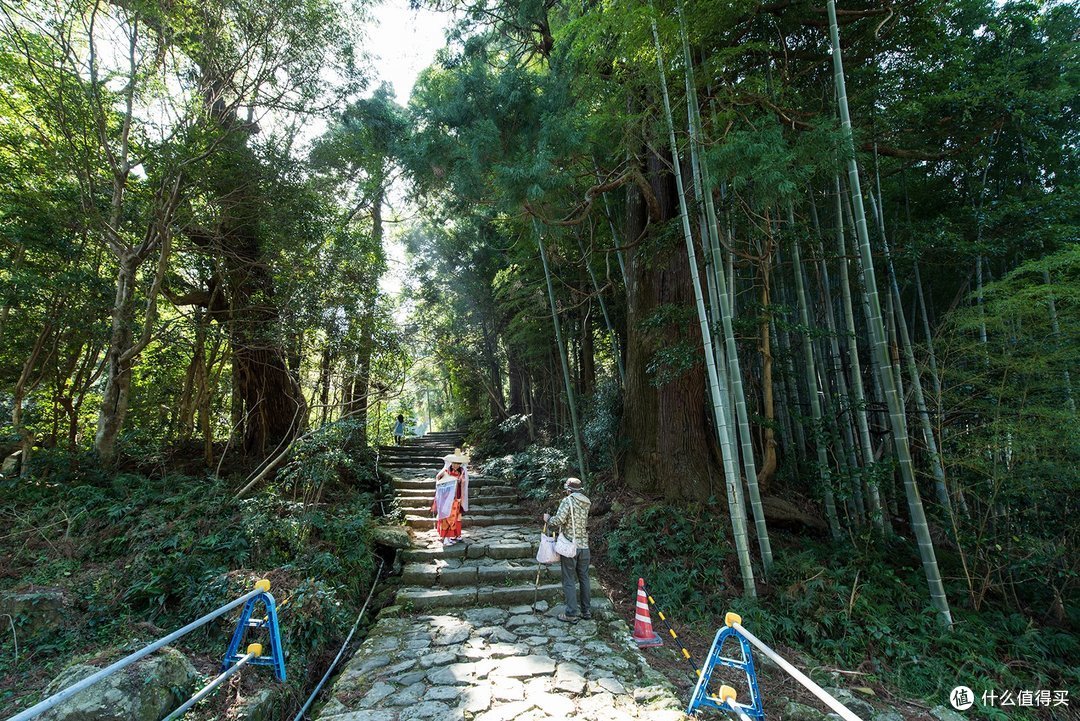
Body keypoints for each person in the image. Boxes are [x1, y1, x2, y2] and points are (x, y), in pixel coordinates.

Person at [543, 477, 591, 623]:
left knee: (569, 579)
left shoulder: (567, 501)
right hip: (584, 546)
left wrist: (548, 519)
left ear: (568, 489)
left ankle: (571, 613)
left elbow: (558, 520)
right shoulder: (586, 502)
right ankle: (586, 611)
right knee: (584, 578)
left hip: (570, 546)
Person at [432, 451, 470, 546]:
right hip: (446, 497)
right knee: (446, 517)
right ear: (451, 462)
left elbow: (463, 484)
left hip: (457, 496)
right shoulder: (446, 471)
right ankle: (445, 538)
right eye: (454, 463)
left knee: (453, 517)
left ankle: (451, 536)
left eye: (458, 463)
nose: (456, 465)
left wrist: (462, 481)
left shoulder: (462, 471)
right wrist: (444, 483)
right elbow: (438, 478)